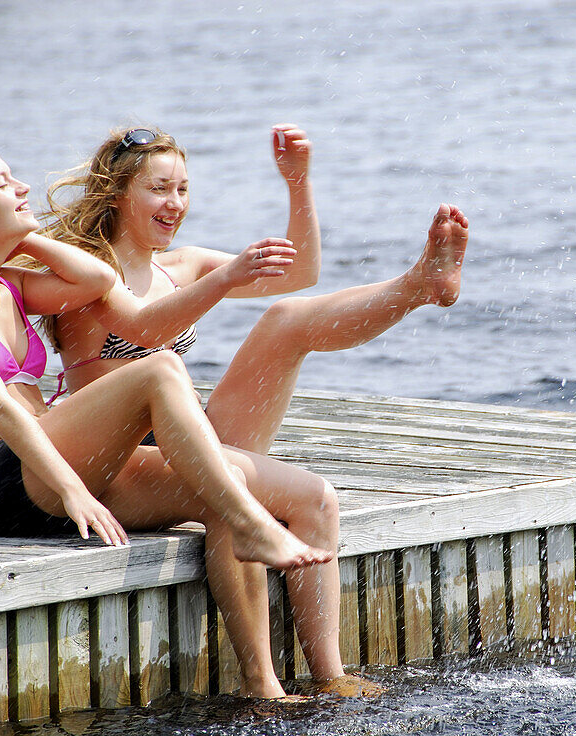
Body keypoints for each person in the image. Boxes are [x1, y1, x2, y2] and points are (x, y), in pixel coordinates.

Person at [43, 125, 469, 698]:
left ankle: (330, 676)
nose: (176, 204)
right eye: (160, 189)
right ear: (119, 193)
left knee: (286, 327)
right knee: (238, 489)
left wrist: (298, 184)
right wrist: (227, 278)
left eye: (184, 190)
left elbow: (301, 274)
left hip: (183, 439)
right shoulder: (87, 271)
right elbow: (150, 328)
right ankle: (262, 686)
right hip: (115, 465)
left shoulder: (184, 264)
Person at [0, 131, 337, 593]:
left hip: (47, 463)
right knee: (161, 368)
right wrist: (74, 493)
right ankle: (249, 523)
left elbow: (95, 280)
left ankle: (271, 687)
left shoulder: (11, 283)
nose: (23, 187)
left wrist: (20, 235)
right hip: (2, 484)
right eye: (5, 184)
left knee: (233, 487)